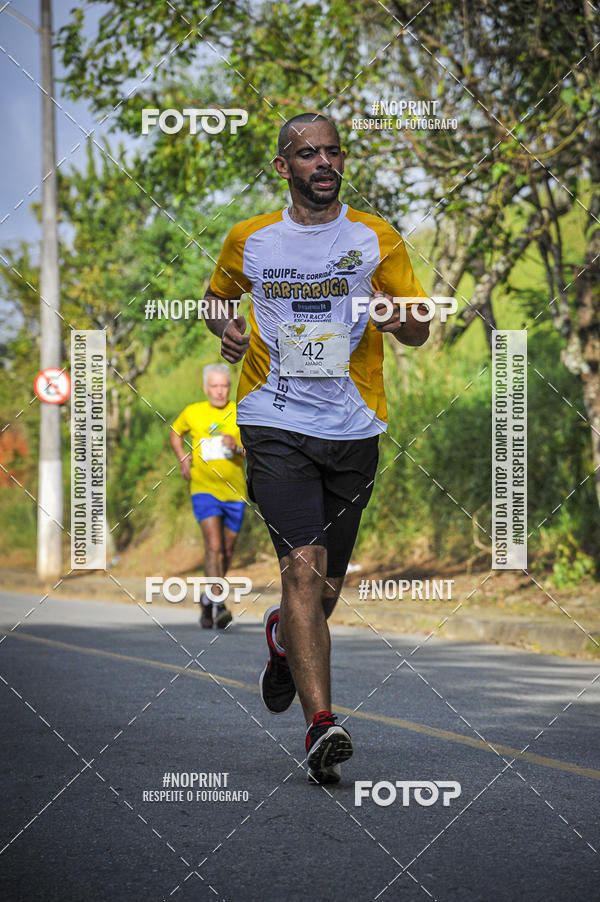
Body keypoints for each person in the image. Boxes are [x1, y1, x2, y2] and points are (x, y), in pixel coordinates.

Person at [204, 112, 430, 782]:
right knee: (302, 567)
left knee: (323, 590)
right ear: (284, 167)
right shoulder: (250, 240)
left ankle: (282, 636)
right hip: (272, 421)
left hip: (354, 425)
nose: (324, 164)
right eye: (308, 154)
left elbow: (419, 325)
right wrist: (229, 330)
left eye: (333, 152)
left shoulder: (375, 237)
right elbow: (217, 299)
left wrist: (399, 318)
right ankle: (321, 726)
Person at [170, 363, 246, 629]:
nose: (219, 391)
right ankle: (220, 603)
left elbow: (252, 449)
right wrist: (182, 459)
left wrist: (236, 447)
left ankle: (207, 598)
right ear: (205, 387)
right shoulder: (193, 412)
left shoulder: (239, 411)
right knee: (213, 545)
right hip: (203, 489)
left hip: (235, 492)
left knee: (226, 550)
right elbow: (175, 432)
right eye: (214, 386)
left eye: (224, 385)